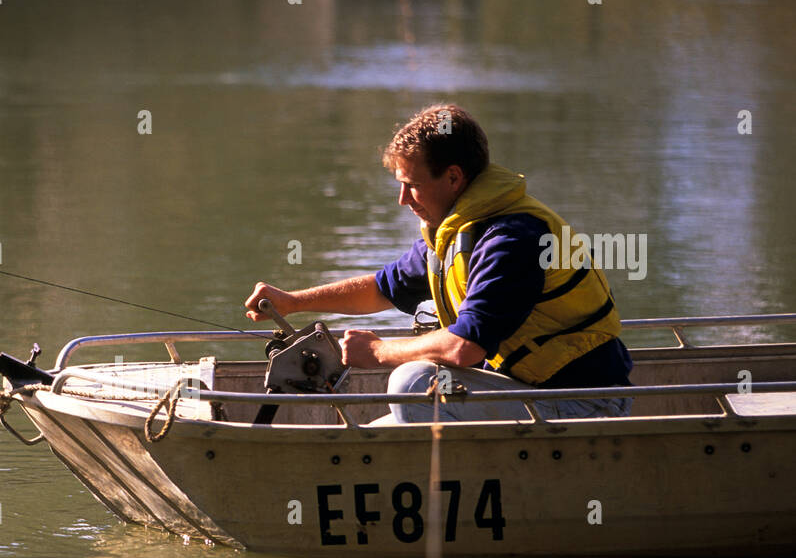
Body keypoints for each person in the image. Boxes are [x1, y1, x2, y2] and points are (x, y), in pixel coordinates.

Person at [244, 103, 633, 423]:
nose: (403, 199)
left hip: (584, 404)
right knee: (376, 430)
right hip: (526, 393)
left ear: (452, 177)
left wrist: (379, 352)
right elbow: (382, 288)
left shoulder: (513, 239)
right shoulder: (454, 232)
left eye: (411, 184)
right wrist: (293, 301)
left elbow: (465, 348)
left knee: (414, 383)